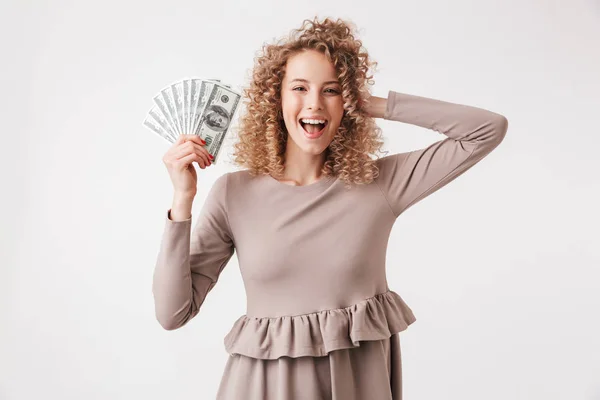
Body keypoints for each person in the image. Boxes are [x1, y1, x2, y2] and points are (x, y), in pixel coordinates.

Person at [152, 17, 508, 400]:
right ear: (277, 99)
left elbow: (486, 130)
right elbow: (173, 313)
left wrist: (375, 104)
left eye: (332, 91)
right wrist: (182, 201)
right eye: (300, 88)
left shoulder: (379, 184)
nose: (314, 104)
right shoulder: (233, 193)